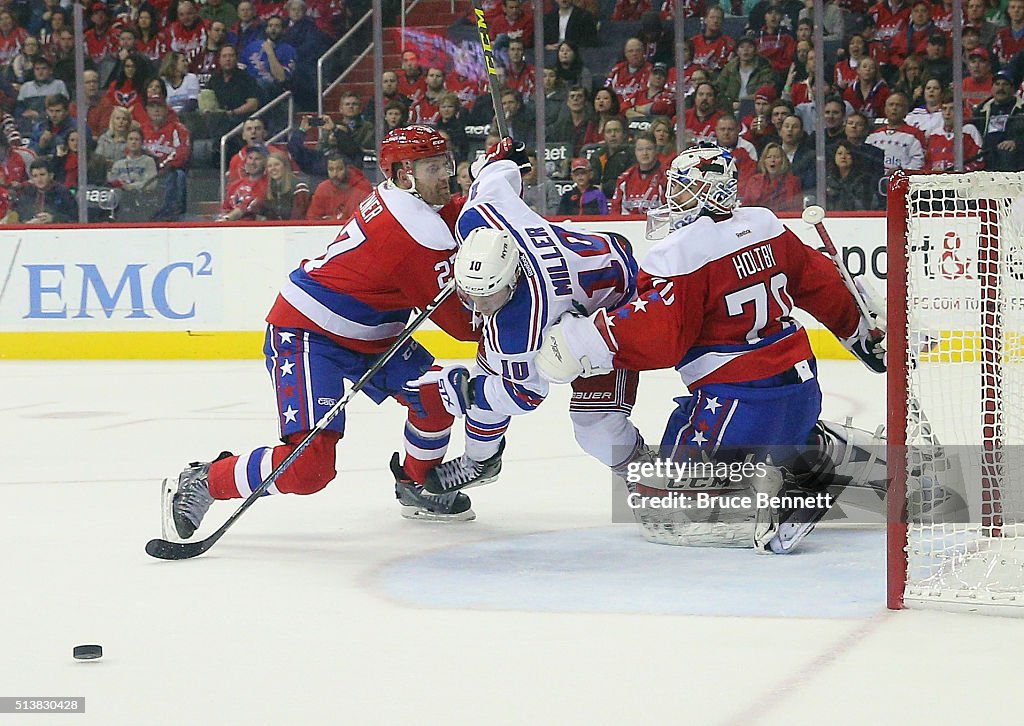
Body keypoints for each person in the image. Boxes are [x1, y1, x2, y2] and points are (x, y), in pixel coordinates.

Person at [533, 143, 888, 554]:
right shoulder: (765, 224)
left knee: (656, 502)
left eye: (683, 190)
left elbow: (660, 335)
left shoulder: (683, 252)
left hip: (740, 405)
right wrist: (860, 332)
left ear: (711, 192)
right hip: (802, 392)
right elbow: (821, 282)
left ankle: (777, 509)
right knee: (783, 431)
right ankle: (835, 455)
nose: (671, 199)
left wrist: (584, 339)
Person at [162, 126, 482, 541]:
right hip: (309, 334)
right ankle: (205, 480)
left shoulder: (409, 201)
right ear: (405, 174)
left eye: (447, 163)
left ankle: (415, 483)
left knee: (436, 398)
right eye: (435, 166)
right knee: (309, 467)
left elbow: (456, 212)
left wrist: (496, 176)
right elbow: (463, 327)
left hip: (371, 334)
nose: (447, 174)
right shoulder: (413, 229)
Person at [402, 138, 641, 496]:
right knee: (489, 369)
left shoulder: (521, 325)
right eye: (472, 293)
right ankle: (480, 461)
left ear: (513, 279)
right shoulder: (478, 218)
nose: (479, 307)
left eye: (490, 296)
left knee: (595, 426)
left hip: (620, 306)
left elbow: (525, 394)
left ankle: (650, 481)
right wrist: (504, 158)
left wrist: (470, 394)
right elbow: (495, 177)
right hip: (596, 256)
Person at [305, 151, 372, 220]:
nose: (335, 174)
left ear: (347, 168)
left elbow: (367, 219)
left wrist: (335, 219)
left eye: (339, 169)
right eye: (331, 169)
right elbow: (312, 218)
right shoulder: (322, 188)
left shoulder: (363, 187)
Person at [741, 142, 803, 211]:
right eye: (768, 157)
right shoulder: (754, 181)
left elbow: (796, 209)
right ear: (764, 161)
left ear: (783, 161)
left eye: (776, 157)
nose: (772, 160)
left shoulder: (793, 182)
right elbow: (746, 208)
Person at [15, 158, 77, 224]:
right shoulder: (27, 192)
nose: (39, 179)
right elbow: (20, 214)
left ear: (51, 176)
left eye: (42, 175)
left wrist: (54, 218)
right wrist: (28, 222)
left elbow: (74, 217)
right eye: (35, 176)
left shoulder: (62, 193)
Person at [260, 151, 310, 220]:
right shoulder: (269, 189)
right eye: (269, 166)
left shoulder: (300, 187)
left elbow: (298, 216)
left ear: (285, 166)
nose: (273, 168)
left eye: (277, 164)